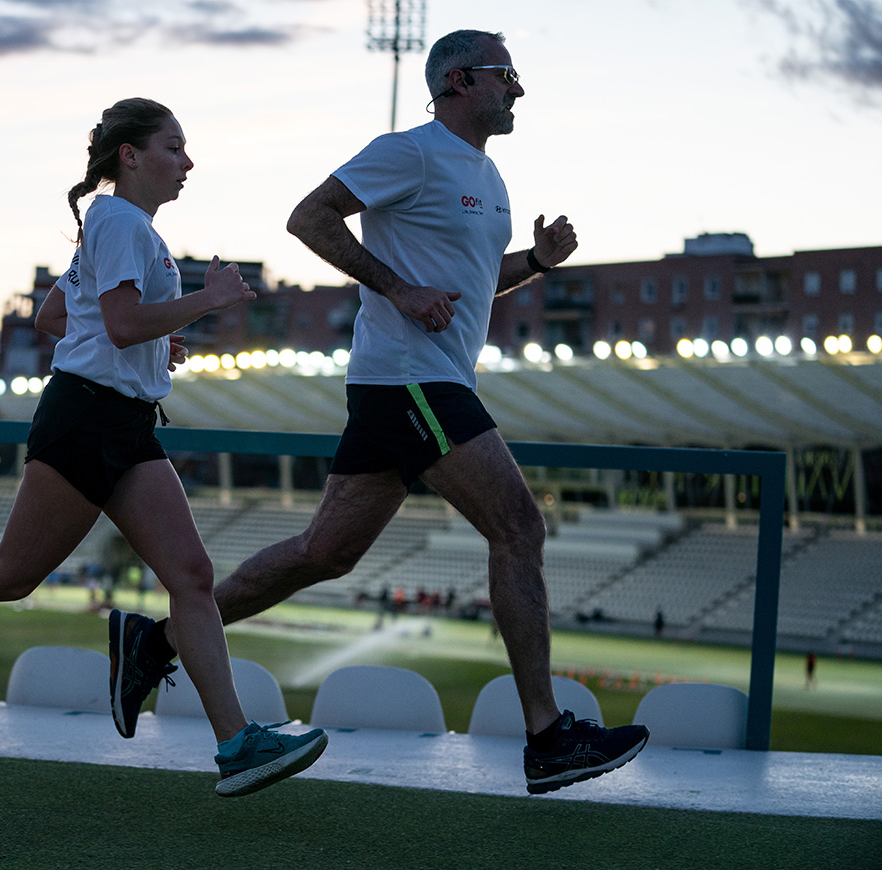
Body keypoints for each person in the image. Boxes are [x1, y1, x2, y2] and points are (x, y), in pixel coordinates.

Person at [113, 32, 648, 796]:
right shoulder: (411, 151)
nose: (518, 91)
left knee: (324, 553)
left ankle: (155, 641)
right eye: (507, 76)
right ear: (459, 80)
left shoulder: (487, 175)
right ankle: (548, 738)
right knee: (518, 527)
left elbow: (461, 284)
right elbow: (310, 216)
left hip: (412, 382)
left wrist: (534, 264)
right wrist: (397, 290)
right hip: (412, 380)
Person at [0, 97, 326, 798]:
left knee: (192, 578)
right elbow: (115, 323)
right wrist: (205, 302)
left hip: (127, 423)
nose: (188, 162)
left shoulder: (123, 229)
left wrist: (150, 337)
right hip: (85, 419)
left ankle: (236, 744)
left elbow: (61, 315)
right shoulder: (116, 221)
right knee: (9, 576)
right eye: (173, 147)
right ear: (129, 155)